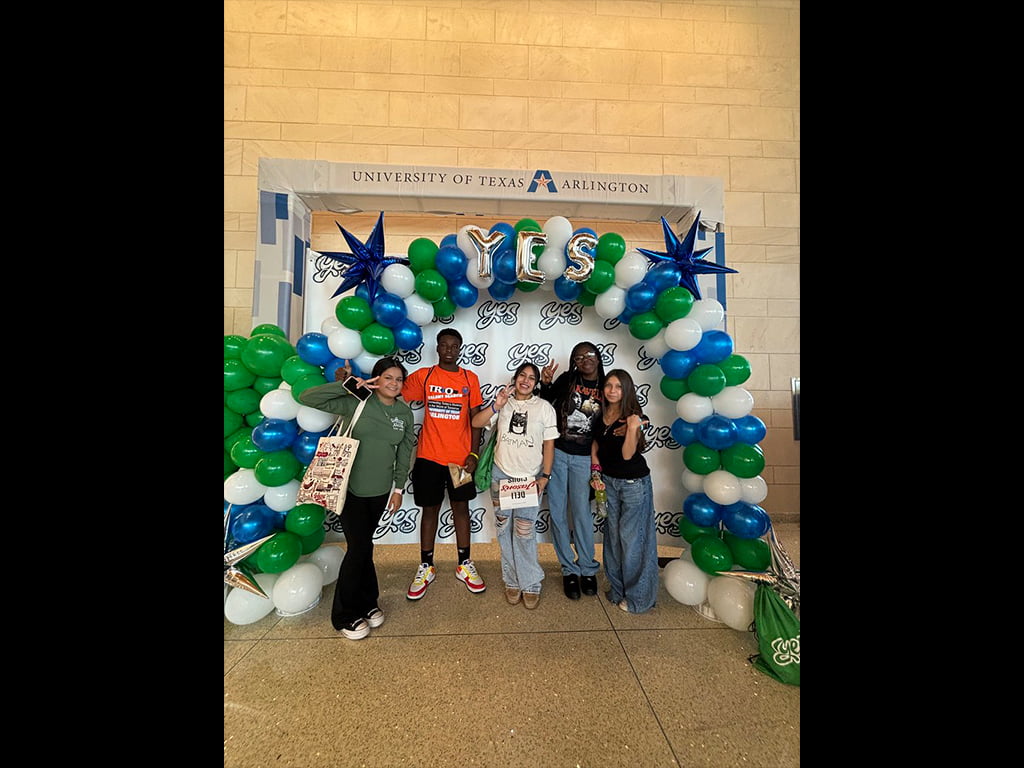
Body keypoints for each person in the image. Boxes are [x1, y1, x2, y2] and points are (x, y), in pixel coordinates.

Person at [298, 356, 415, 640]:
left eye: (399, 379)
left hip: (380, 491)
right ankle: (344, 615)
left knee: (363, 546)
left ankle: (368, 603)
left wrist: (398, 489)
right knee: (359, 547)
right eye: (387, 377)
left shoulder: (404, 412)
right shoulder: (359, 400)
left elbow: (404, 453)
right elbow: (307, 397)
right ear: (376, 379)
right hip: (348, 489)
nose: (394, 384)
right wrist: (347, 385)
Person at [402, 328, 487, 599]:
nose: (449, 349)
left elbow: (476, 422)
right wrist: (355, 382)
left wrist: (473, 454)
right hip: (428, 457)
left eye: (454, 345)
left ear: (460, 349)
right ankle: (426, 566)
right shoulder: (424, 376)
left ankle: (464, 564)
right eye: (444, 345)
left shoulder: (469, 378)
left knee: (461, 509)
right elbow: (390, 388)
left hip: (460, 460)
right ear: (437, 348)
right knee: (430, 512)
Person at [471, 362, 558, 609]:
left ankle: (530, 583)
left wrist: (546, 476)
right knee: (503, 529)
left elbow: (549, 445)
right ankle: (511, 580)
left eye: (532, 378)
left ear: (536, 383)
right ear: (515, 378)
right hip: (502, 478)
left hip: (529, 480)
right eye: (522, 375)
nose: (526, 381)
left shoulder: (544, 408)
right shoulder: (504, 402)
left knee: (524, 531)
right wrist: (496, 405)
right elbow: (477, 422)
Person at [539, 341, 606, 600]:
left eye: (589, 354)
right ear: (574, 362)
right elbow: (545, 403)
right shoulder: (568, 379)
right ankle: (568, 569)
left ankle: (588, 568)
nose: (584, 359)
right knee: (556, 513)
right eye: (578, 357)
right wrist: (546, 383)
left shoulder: (606, 383)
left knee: (581, 514)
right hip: (558, 454)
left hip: (584, 459)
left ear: (598, 358)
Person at [590, 368, 658, 614]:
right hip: (609, 482)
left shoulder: (633, 417)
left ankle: (639, 598)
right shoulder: (600, 414)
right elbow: (596, 445)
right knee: (613, 539)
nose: (612, 391)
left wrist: (631, 428)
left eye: (618, 386)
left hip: (633, 485)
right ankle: (618, 590)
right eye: (609, 385)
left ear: (626, 390)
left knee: (632, 541)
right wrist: (596, 473)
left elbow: (628, 455)